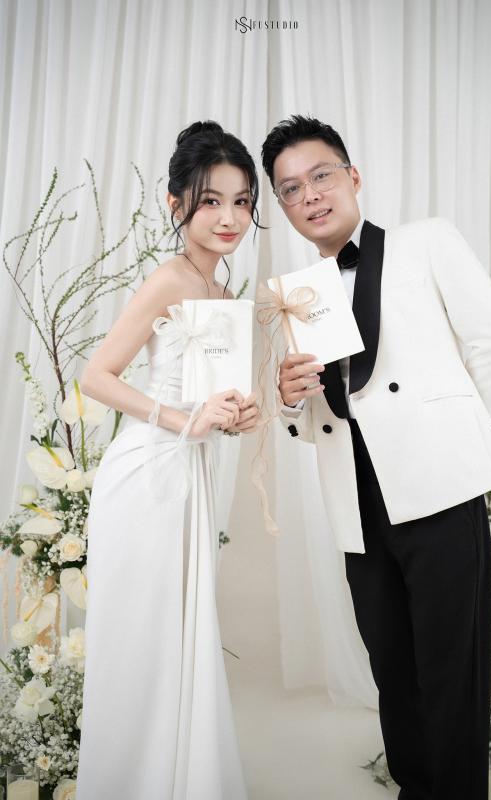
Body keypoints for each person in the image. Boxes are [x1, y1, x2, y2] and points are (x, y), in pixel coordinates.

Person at [261, 115, 491, 799]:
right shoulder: (298, 295)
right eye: (290, 188)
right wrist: (289, 399)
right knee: (393, 671)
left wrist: (452, 435)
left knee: (451, 670)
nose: (310, 195)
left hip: (437, 487)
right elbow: (318, 417)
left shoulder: (425, 241)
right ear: (283, 207)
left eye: (321, 175)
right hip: (355, 499)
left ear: (352, 177)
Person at [76, 121, 260, 800]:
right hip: (147, 477)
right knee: (143, 641)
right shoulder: (169, 280)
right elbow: (96, 377)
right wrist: (187, 422)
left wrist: (234, 417)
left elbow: (210, 404)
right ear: (174, 202)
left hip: (190, 476)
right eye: (211, 200)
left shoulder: (222, 296)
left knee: (177, 638)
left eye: (241, 202)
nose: (229, 218)